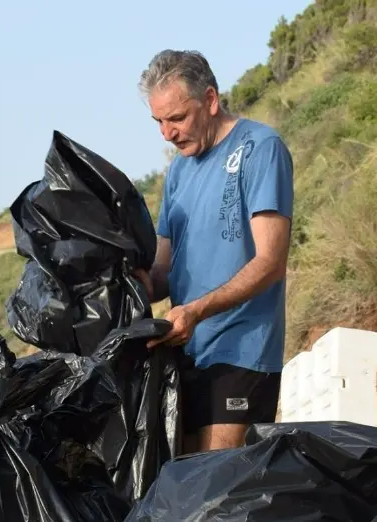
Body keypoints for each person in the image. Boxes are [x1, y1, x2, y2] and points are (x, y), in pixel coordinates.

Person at [133, 49, 294, 454]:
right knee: (185, 483)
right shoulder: (177, 171)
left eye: (176, 118)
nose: (167, 134)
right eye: (158, 122)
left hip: (241, 352)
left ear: (209, 100)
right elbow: (163, 272)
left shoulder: (260, 147)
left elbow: (271, 262)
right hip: (185, 354)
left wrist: (197, 311)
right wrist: (127, 280)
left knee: (216, 483)